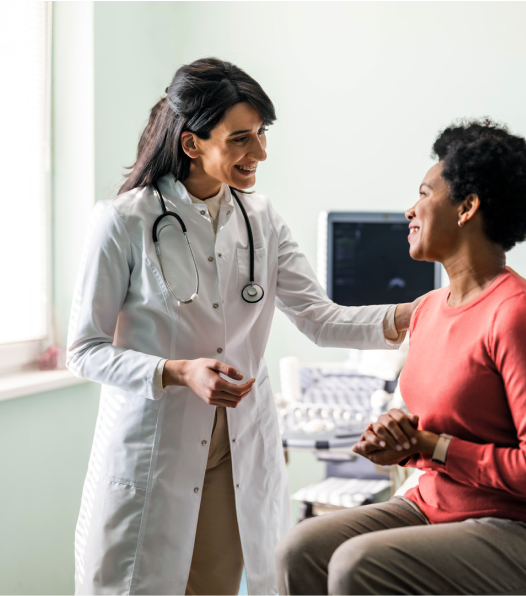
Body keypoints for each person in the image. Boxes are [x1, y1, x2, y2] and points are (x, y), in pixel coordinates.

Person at [67, 57, 422, 596]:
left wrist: (418, 313)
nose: (259, 153)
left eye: (261, 135)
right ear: (192, 144)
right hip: (155, 447)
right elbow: (84, 350)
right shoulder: (123, 221)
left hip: (235, 448)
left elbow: (321, 320)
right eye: (240, 139)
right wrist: (178, 371)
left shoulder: (262, 219)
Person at [275, 119, 526, 596]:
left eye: (424, 193)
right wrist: (399, 437)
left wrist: (430, 445)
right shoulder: (428, 311)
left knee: (357, 565)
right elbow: (439, 422)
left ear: (467, 208)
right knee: (299, 550)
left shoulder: (519, 316)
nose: (410, 210)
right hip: (434, 506)